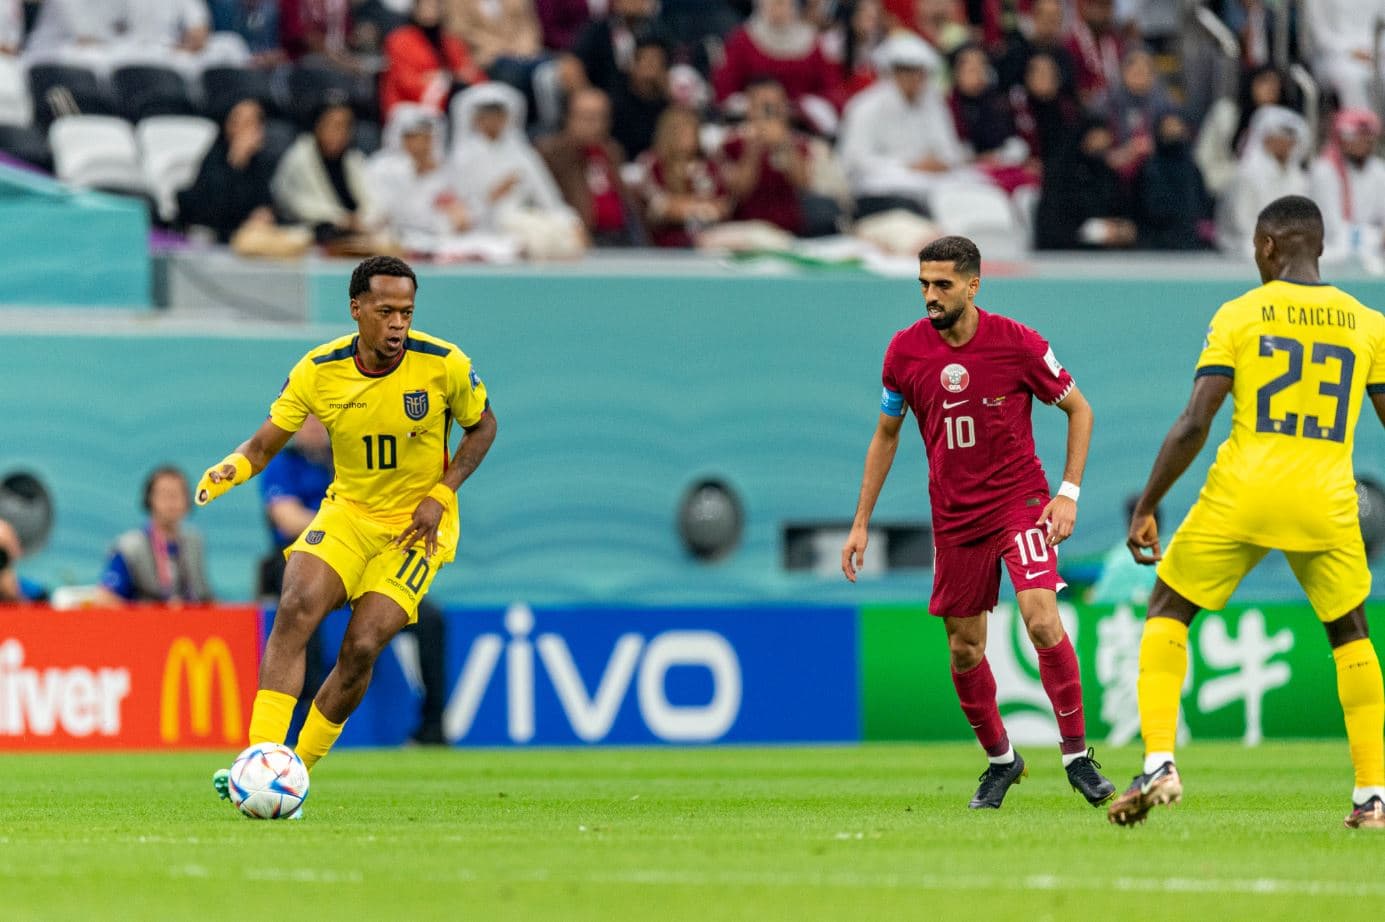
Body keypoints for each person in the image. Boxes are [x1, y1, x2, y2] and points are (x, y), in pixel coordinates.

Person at [1108, 195, 1385, 831]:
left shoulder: (1240, 313)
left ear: (1265, 247)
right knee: (1350, 632)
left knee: (1168, 607)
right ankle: (1371, 794)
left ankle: (1158, 762)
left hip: (1245, 490)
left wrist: (1148, 505)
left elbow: (1194, 422)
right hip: (1327, 497)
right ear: (1319, 247)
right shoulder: (1364, 321)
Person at [200, 255, 497, 801]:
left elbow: (483, 428)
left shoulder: (444, 364)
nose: (397, 325)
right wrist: (231, 469)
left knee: (361, 646)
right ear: (357, 309)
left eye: (406, 312)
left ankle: (297, 772)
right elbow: (265, 444)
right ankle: (257, 762)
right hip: (349, 512)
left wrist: (441, 492)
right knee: (295, 606)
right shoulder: (319, 369)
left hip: (415, 528)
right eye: (385, 312)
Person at [840, 235, 1113, 811]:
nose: (930, 297)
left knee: (1041, 617)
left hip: (1019, 502)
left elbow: (1079, 409)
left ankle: (1077, 758)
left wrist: (1067, 494)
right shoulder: (904, 353)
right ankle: (1001, 761)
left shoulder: (1018, 343)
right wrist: (861, 520)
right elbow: (886, 434)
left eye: (942, 285)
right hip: (955, 518)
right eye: (923, 285)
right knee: (965, 650)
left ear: (972, 285)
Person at [258, 413, 450, 745]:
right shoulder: (283, 465)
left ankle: (432, 727)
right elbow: (287, 519)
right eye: (307, 421)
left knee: (430, 619)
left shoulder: (354, 460)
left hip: (370, 562)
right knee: (302, 612)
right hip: (307, 561)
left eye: (322, 421)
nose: (315, 428)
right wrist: (346, 526)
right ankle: (297, 721)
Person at [836, 33, 976, 217]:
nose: (916, 79)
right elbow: (856, 161)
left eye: (920, 72)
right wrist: (909, 166)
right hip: (883, 185)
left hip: (932, 180)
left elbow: (948, 148)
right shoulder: (865, 107)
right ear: (894, 72)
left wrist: (941, 163)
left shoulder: (933, 104)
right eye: (909, 72)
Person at [537, 87, 644, 246]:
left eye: (602, 117)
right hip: (584, 237)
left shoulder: (612, 150)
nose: (597, 125)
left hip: (623, 235)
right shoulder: (552, 152)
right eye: (588, 118)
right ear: (569, 118)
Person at [96, 467, 214, 605]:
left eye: (177, 494)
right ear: (149, 500)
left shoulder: (194, 542)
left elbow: (205, 598)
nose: (171, 501)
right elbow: (105, 598)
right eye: (164, 494)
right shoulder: (129, 547)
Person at [272, 100, 380, 239]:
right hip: (313, 236)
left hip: (357, 236)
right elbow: (297, 204)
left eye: (346, 126)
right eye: (334, 125)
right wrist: (342, 219)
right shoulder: (299, 156)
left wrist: (363, 220)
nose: (340, 132)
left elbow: (371, 200)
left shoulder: (353, 159)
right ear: (318, 126)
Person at [178, 97, 279, 243]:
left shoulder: (259, 163)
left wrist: (264, 214)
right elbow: (211, 211)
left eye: (256, 122)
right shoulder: (215, 159)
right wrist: (236, 163)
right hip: (214, 237)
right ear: (229, 125)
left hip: (250, 240)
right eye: (244, 123)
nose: (252, 129)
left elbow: (265, 203)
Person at [636, 106, 730, 248]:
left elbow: (722, 207)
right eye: (681, 131)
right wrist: (703, 207)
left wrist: (684, 205)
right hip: (671, 242)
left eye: (691, 130)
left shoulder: (709, 165)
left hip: (712, 237)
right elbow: (662, 208)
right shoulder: (654, 165)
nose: (687, 137)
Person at [379, 0, 487, 120]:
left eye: (435, 5)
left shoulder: (450, 41)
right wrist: (439, 80)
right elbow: (403, 80)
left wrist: (452, 78)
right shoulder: (399, 40)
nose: (431, 10)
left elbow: (468, 71)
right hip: (411, 104)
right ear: (415, 8)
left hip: (452, 99)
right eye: (426, 5)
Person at [1309, 109, 1385, 263]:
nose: (1363, 143)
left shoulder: (1379, 170)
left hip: (1374, 252)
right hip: (1329, 251)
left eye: (1367, 137)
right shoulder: (1324, 171)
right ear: (1342, 139)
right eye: (1357, 137)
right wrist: (1372, 237)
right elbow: (1332, 227)